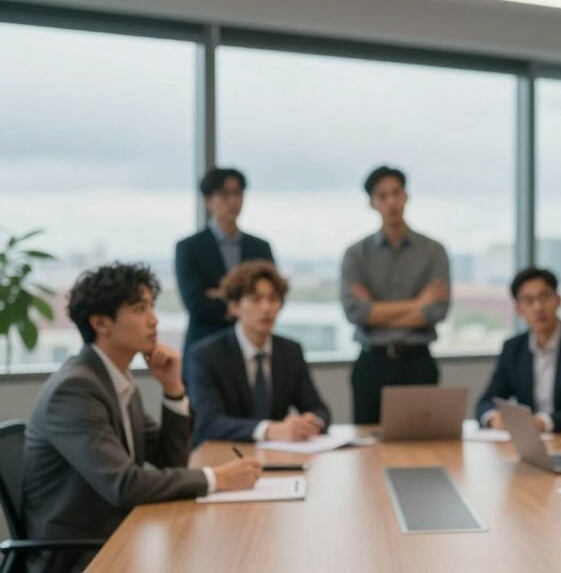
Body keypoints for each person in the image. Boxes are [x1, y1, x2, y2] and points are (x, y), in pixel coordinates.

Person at [21, 263, 261, 573]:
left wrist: (173, 389)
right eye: (139, 308)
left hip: (118, 535)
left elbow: (169, 462)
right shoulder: (75, 389)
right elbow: (124, 485)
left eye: (152, 307)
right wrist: (217, 478)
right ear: (101, 323)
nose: (154, 319)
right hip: (79, 556)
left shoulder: (115, 379)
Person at [340, 165, 450, 424]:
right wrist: (417, 303)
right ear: (371, 203)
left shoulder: (434, 251)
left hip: (418, 362)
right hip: (372, 363)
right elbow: (356, 312)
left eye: (396, 193)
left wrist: (376, 311)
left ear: (406, 196)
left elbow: (436, 311)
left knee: (421, 446)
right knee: (367, 449)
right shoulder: (356, 254)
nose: (391, 202)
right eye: (382, 196)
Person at [187, 261, 332, 446]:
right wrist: (270, 430)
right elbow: (209, 422)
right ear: (234, 307)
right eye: (255, 299)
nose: (266, 308)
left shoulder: (291, 351)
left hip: (279, 456)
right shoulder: (206, 355)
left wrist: (312, 423)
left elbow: (318, 408)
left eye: (273, 299)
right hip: (226, 454)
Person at [476, 267, 561, 433]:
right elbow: (486, 401)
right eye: (528, 300)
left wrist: (543, 422)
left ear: (559, 300)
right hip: (530, 442)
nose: (538, 307)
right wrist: (493, 418)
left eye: (545, 297)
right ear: (518, 309)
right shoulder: (513, 348)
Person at [175, 167, 274, 356]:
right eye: (224, 194)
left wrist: (220, 294)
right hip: (204, 347)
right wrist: (246, 300)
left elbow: (273, 295)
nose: (233, 200)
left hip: (252, 348)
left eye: (237, 193)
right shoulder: (189, 247)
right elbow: (197, 305)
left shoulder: (260, 247)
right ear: (207, 201)